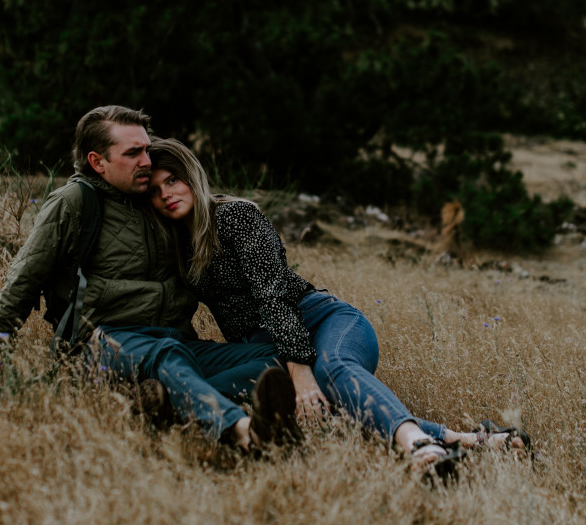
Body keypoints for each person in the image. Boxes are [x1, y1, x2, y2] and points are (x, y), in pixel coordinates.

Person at [146, 137, 531, 478]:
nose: (166, 194)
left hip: (322, 320)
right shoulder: (174, 246)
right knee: (295, 402)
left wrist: (300, 369)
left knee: (331, 371)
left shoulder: (234, 217)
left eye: (173, 180)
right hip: (266, 350)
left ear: (192, 177)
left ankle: (417, 446)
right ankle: (470, 441)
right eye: (155, 189)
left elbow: (272, 293)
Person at [0, 106, 300, 453]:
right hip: (104, 344)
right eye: (133, 153)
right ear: (97, 161)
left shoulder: (156, 203)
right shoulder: (74, 202)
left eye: (146, 149)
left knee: (273, 356)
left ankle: (168, 398)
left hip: (176, 343)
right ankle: (243, 431)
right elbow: (24, 279)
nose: (147, 161)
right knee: (165, 355)